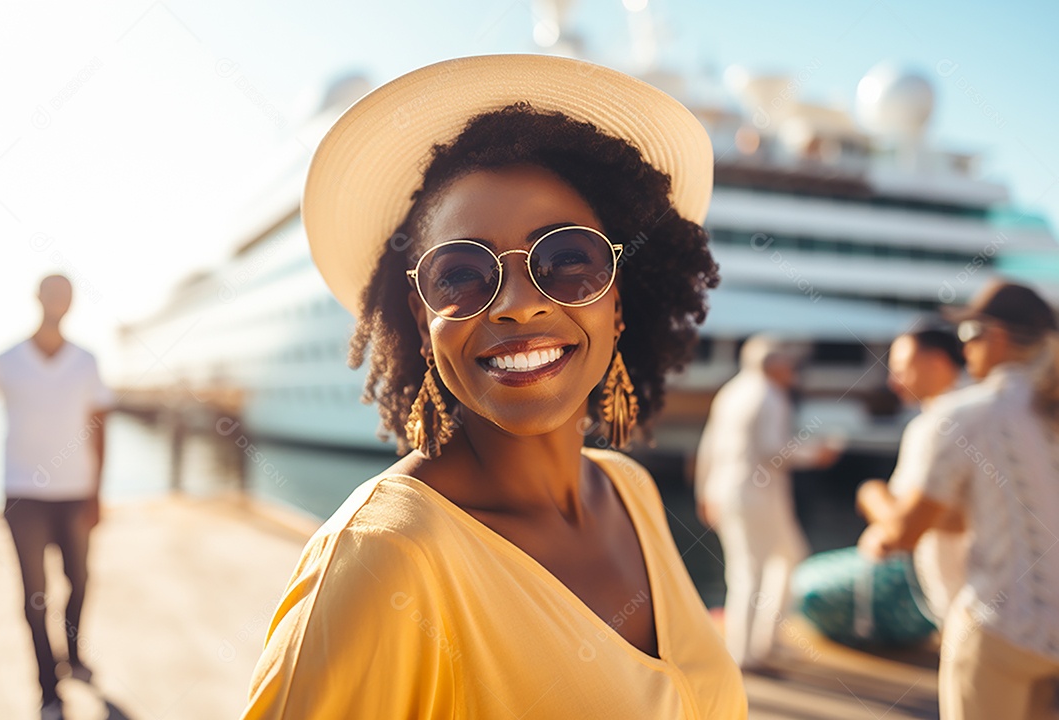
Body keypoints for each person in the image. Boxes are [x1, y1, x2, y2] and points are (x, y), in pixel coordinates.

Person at [240, 55, 747, 719]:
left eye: (568, 260)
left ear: (617, 299)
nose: (517, 305)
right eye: (460, 274)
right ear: (423, 323)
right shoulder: (384, 558)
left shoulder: (633, 492)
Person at [858, 280, 1059, 720]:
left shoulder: (966, 415)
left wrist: (870, 493)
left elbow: (905, 533)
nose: (963, 350)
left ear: (998, 337)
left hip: (1001, 630)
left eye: (968, 335)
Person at [0, 274, 112, 718]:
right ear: (37, 297)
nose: (59, 299)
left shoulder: (87, 361)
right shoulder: (2, 361)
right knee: (35, 594)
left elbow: (100, 426)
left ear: (72, 302)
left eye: (66, 293)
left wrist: (97, 493)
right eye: (52, 291)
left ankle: (72, 658)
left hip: (75, 494)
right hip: (22, 495)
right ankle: (48, 689)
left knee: (80, 580)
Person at [693, 335, 839, 670]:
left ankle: (757, 643)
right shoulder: (771, 396)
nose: (794, 370)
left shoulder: (731, 392)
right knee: (758, 569)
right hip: (758, 495)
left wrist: (704, 492)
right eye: (789, 363)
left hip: (728, 490)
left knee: (771, 562)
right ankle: (749, 652)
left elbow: (709, 445)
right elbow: (774, 450)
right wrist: (817, 454)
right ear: (774, 365)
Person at [857, 324, 968, 624]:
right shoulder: (969, 416)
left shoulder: (936, 425)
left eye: (902, 369)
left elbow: (905, 528)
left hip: (965, 597)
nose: (893, 382)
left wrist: (870, 494)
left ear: (936, 362)